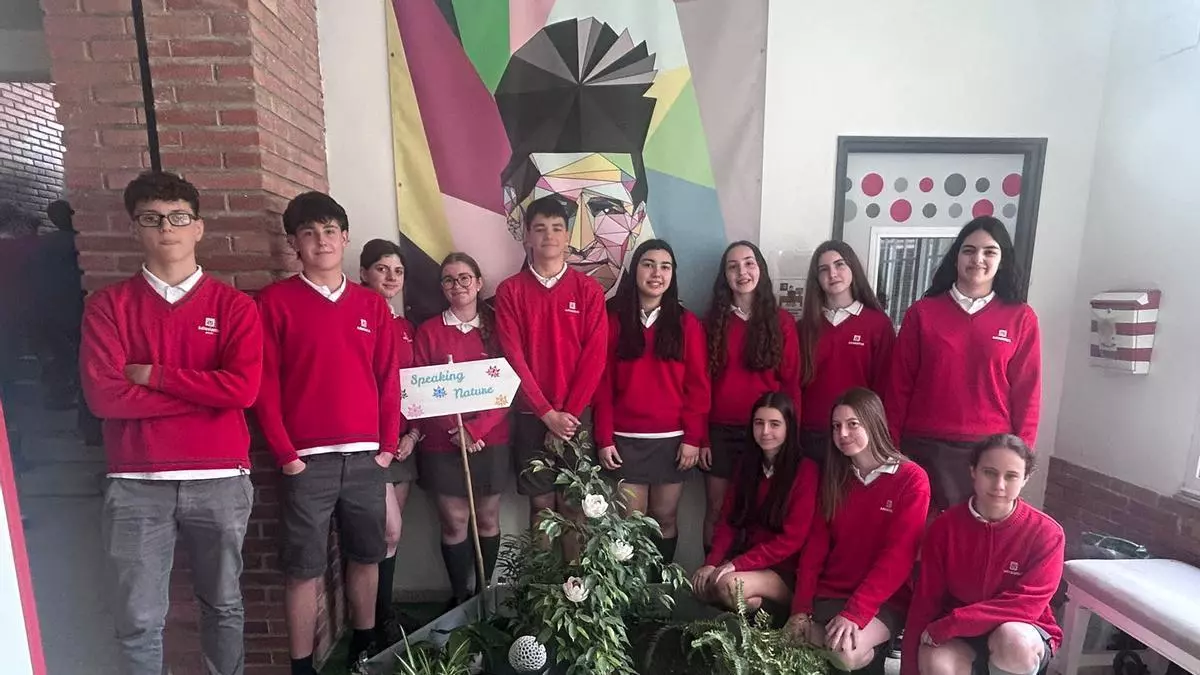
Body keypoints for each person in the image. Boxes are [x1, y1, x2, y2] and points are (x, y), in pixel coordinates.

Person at [79, 170, 262, 675]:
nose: (166, 228)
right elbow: (104, 397)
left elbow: (243, 390)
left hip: (220, 479)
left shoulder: (235, 307)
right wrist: (207, 396)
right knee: (139, 618)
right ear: (134, 228)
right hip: (136, 482)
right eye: (152, 218)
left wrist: (154, 376)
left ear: (198, 228)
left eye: (179, 217)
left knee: (224, 605)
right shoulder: (108, 307)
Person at [253, 192, 400, 675]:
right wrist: (286, 456)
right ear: (293, 242)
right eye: (309, 233)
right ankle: (302, 666)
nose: (322, 241)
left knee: (366, 557)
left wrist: (386, 448)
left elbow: (388, 380)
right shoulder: (274, 302)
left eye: (330, 231)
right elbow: (264, 386)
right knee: (302, 569)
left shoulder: (371, 306)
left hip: (365, 460)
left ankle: (363, 646)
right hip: (306, 463)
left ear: (345, 237)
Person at [884, 216, 1041, 514]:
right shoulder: (922, 313)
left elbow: (1028, 395)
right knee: (921, 530)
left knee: (976, 533)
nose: (978, 259)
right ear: (956, 258)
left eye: (989, 252)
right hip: (923, 447)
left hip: (989, 451)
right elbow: (898, 386)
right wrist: (889, 448)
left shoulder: (1021, 318)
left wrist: (1020, 457)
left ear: (1002, 261)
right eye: (969, 250)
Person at [787, 387, 931, 675]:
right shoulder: (835, 477)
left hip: (884, 600)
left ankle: (868, 649)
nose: (842, 434)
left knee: (843, 653)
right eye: (836, 426)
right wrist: (800, 609)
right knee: (795, 638)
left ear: (874, 423)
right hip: (831, 591)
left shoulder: (911, 479)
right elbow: (815, 548)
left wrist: (855, 612)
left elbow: (899, 556)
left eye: (853, 424)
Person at [902, 434, 1064, 675]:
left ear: (1025, 479)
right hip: (959, 634)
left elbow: (1026, 605)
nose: (999, 485)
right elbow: (925, 600)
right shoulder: (945, 527)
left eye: (1011, 476)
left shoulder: (1047, 533)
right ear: (973, 471)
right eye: (990, 472)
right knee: (935, 660)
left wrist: (955, 622)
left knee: (1014, 642)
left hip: (1019, 629)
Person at [494, 196, 606, 531]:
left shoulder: (589, 290)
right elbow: (513, 358)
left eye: (557, 228)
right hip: (531, 416)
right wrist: (546, 414)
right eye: (540, 228)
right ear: (527, 236)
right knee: (541, 509)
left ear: (568, 236)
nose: (549, 235)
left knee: (575, 508)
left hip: (576, 417)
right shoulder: (510, 291)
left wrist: (566, 416)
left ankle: (573, 571)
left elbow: (595, 357)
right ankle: (542, 570)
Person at [594, 239, 710, 564]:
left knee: (665, 519)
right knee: (631, 522)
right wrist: (604, 438)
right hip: (625, 441)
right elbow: (601, 385)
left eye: (665, 266)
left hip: (672, 442)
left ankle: (658, 587)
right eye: (648, 264)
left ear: (673, 274)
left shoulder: (687, 323)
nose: (656, 273)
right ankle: (631, 590)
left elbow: (699, 387)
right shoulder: (613, 318)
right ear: (635, 271)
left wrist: (693, 438)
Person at [413, 252, 511, 607]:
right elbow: (420, 389)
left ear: (479, 282)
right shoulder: (428, 331)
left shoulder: (498, 328)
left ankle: (484, 595)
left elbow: (509, 385)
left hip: (491, 440)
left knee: (487, 517)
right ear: (442, 287)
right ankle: (459, 598)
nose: (457, 285)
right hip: (443, 443)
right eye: (449, 280)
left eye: (464, 278)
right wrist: (455, 430)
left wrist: (477, 429)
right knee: (454, 521)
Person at [701, 240, 801, 552]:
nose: (742, 272)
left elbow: (792, 384)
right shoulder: (712, 322)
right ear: (724, 276)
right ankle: (711, 573)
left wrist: (790, 436)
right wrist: (701, 437)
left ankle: (744, 577)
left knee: (759, 512)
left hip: (766, 432)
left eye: (749, 263)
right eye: (733, 266)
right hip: (719, 432)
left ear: (761, 270)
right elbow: (700, 385)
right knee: (717, 510)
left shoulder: (782, 322)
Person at [693, 392, 818, 613]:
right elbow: (728, 521)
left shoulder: (806, 470)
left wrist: (736, 565)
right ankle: (758, 615)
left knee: (729, 586)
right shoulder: (747, 465)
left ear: (789, 427)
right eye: (759, 423)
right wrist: (712, 562)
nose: (765, 431)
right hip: (750, 562)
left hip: (784, 570)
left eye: (774, 424)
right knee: (701, 586)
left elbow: (792, 540)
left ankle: (776, 614)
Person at [358, 238, 417, 644]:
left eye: (398, 271)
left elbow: (414, 388)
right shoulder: (356, 318)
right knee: (387, 532)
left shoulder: (405, 327)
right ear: (364, 273)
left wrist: (413, 434)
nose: (391, 277)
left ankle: (385, 616)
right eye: (382, 269)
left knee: (391, 539)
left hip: (404, 443)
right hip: (370, 445)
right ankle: (371, 625)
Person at [796, 241, 894, 464]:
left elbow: (884, 385)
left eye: (839, 265)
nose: (832, 274)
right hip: (811, 434)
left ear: (853, 268)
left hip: (857, 434)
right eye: (824, 269)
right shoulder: (803, 328)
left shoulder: (878, 325)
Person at [35, 199, 85, 409]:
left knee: (60, 353)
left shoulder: (43, 244)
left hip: (49, 306)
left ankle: (58, 395)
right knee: (78, 353)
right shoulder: (78, 242)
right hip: (74, 304)